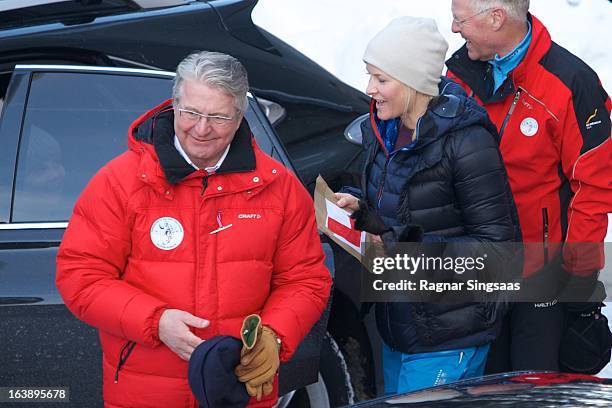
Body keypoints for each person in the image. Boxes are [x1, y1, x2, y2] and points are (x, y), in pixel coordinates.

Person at [56, 51, 332, 407]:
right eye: (191, 113)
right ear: (174, 105)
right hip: (144, 392)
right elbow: (80, 276)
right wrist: (155, 322)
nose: (201, 129)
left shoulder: (279, 188)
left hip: (236, 390)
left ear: (239, 116)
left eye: (217, 117)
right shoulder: (118, 182)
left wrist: (274, 336)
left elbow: (305, 280)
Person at [335, 17, 521, 394]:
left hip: (449, 332)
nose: (370, 89)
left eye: (382, 79)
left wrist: (399, 241)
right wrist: (361, 209)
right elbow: (406, 209)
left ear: (414, 83)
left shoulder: (467, 143)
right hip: (399, 323)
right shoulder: (382, 129)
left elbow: (500, 254)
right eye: (370, 76)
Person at [446, 0, 611, 372]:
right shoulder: (458, 75)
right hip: (476, 269)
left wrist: (580, 280)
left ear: (496, 17)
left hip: (540, 275)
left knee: (532, 385)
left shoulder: (571, 83)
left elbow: (594, 189)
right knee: (480, 387)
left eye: (459, 20)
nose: (454, 30)